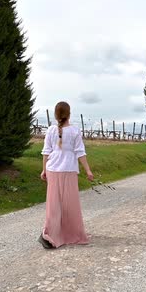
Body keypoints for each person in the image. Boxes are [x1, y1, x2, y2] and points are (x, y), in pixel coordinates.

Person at [39, 101, 94, 249]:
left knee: (53, 205)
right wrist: (88, 170)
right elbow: (80, 152)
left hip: (53, 170)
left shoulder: (50, 130)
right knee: (70, 205)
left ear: (56, 115)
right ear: (69, 114)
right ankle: (71, 234)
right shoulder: (75, 131)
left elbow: (46, 152)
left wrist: (44, 169)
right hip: (69, 170)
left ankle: (50, 234)